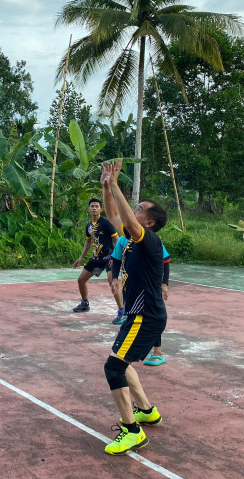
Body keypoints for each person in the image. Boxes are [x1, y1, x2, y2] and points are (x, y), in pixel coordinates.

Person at [99, 159, 168, 455]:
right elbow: (115, 218)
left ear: (149, 223)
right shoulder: (131, 240)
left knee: (114, 367)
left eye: (140, 210)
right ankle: (147, 411)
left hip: (145, 316)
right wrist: (106, 187)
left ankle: (132, 431)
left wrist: (116, 184)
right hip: (138, 315)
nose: (134, 211)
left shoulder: (149, 240)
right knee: (121, 363)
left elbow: (127, 220)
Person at [109, 237, 171, 365]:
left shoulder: (149, 239)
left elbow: (165, 260)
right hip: (131, 287)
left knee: (150, 315)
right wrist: (115, 278)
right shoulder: (122, 240)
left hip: (148, 285)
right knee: (134, 315)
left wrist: (164, 284)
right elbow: (116, 260)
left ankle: (157, 351)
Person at [71, 197, 122, 322]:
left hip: (109, 257)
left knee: (113, 283)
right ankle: (85, 304)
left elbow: (117, 239)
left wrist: (117, 257)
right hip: (96, 259)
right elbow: (88, 242)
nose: (94, 208)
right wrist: (81, 257)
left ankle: (122, 311)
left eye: (96, 206)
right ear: (89, 209)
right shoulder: (89, 226)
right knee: (81, 280)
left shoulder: (106, 223)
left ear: (101, 209)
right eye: (92, 206)